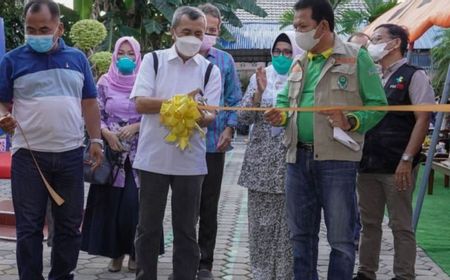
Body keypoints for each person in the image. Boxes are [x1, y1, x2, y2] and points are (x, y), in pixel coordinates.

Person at [264, 0, 388, 279]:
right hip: (297, 159)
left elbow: (378, 104)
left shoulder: (357, 57)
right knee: (300, 237)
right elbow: (285, 102)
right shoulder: (299, 60)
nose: (297, 32)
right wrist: (279, 115)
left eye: (302, 26)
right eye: (295, 26)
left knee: (341, 240)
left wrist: (352, 120)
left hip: (337, 162)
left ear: (323, 26)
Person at [0, 0, 102, 279]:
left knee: (69, 226)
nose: (37, 35)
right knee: (29, 227)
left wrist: (96, 140)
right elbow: (1, 102)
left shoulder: (78, 59)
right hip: (28, 158)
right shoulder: (12, 60)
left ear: (59, 27)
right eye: (30, 29)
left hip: (70, 154)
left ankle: (62, 275)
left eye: (44, 28)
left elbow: (90, 103)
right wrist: (2, 116)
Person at [130, 6, 221, 280]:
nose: (192, 38)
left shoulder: (209, 71)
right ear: (173, 32)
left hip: (190, 163)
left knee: (185, 231)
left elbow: (210, 117)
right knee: (148, 228)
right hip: (153, 159)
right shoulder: (153, 61)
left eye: (198, 33)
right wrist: (180, 103)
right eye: (186, 32)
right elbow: (141, 103)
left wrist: (200, 113)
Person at [354, 24, 435, 280]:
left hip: (397, 164)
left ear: (395, 43)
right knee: (369, 224)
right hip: (368, 162)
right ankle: (366, 272)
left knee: (400, 225)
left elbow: (423, 119)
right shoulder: (373, 75)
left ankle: (403, 275)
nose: (373, 44)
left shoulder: (414, 75)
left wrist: (407, 159)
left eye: (378, 39)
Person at [238, 31, 301, 279]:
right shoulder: (260, 77)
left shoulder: (303, 79)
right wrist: (259, 93)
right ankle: (261, 273)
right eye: (277, 51)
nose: (282, 56)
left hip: (291, 161)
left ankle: (285, 275)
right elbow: (243, 118)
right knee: (261, 227)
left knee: (288, 229)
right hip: (261, 163)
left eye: (288, 51)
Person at [81, 36, 147, 272]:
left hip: (140, 154)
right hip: (111, 154)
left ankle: (136, 252)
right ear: (114, 55)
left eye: (131, 53)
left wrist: (136, 127)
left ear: (138, 56)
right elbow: (94, 112)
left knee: (133, 206)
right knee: (111, 207)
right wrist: (106, 134)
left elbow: (155, 114)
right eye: (121, 53)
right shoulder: (104, 82)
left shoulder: (146, 82)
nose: (126, 58)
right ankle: (116, 253)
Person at [197, 4, 242, 279]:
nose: (208, 35)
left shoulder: (224, 60)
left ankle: (205, 263)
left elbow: (234, 99)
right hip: (180, 145)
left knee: (209, 205)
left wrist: (230, 129)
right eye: (204, 30)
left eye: (212, 30)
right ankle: (184, 258)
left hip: (214, 144)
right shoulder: (179, 59)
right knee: (183, 207)